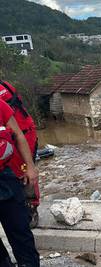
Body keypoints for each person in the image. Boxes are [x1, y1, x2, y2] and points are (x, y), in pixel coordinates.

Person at [0, 98, 40, 266]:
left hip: (4, 178)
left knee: (20, 232)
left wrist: (30, 167)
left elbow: (18, 135)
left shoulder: (0, 105)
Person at [0, 80, 40, 228]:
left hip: (22, 135)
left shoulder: (2, 89)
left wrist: (30, 166)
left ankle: (32, 207)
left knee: (25, 171)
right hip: (11, 137)